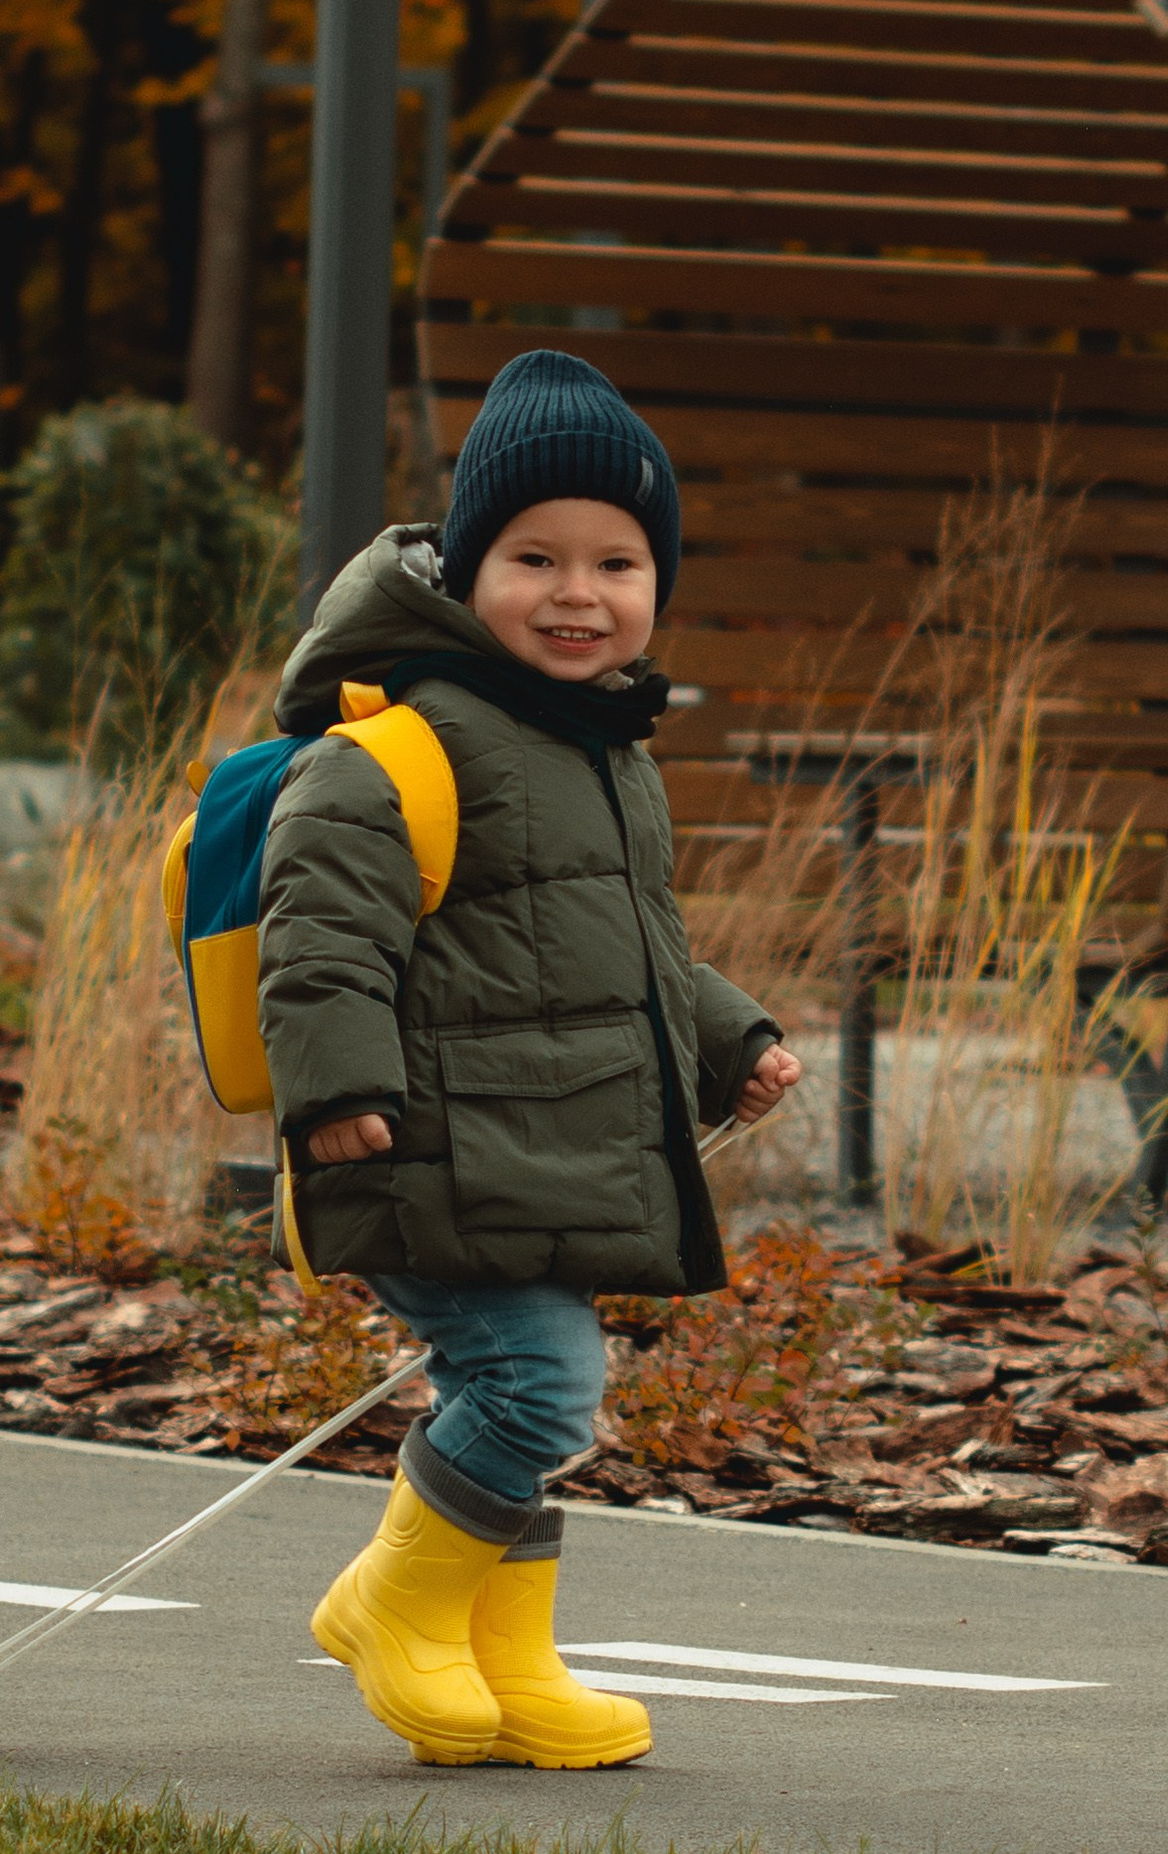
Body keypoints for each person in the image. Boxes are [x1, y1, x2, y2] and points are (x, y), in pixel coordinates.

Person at [257, 346, 800, 1769]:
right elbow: (319, 933)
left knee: (510, 1393)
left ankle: (506, 1660)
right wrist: (337, 1088)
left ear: (658, 583)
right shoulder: (401, 744)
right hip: (420, 1140)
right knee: (538, 1383)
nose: (579, 594)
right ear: (462, 571)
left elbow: (624, 951)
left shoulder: (601, 749)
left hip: (526, 1147)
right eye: (534, 558)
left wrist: (729, 1037)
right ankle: (394, 1608)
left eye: (618, 563)